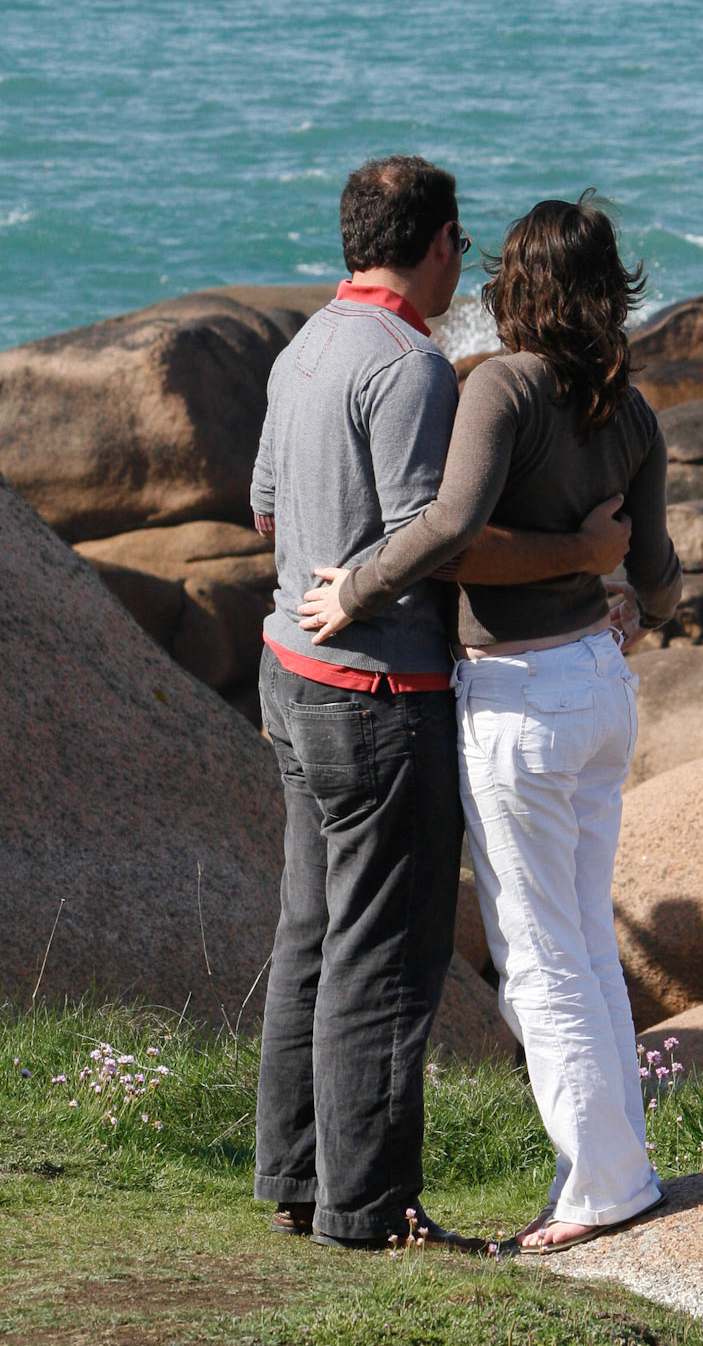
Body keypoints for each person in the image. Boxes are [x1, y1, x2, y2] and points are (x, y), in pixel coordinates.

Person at [249, 157, 632, 1252]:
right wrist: (585, 557)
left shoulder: (303, 347)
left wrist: (331, 559)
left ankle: (299, 1176)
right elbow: (445, 538)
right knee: (389, 953)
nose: (462, 262)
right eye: (459, 244)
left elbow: (266, 512)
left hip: (290, 673)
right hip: (381, 693)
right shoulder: (411, 366)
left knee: (313, 931)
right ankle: (372, 1208)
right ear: (434, 244)